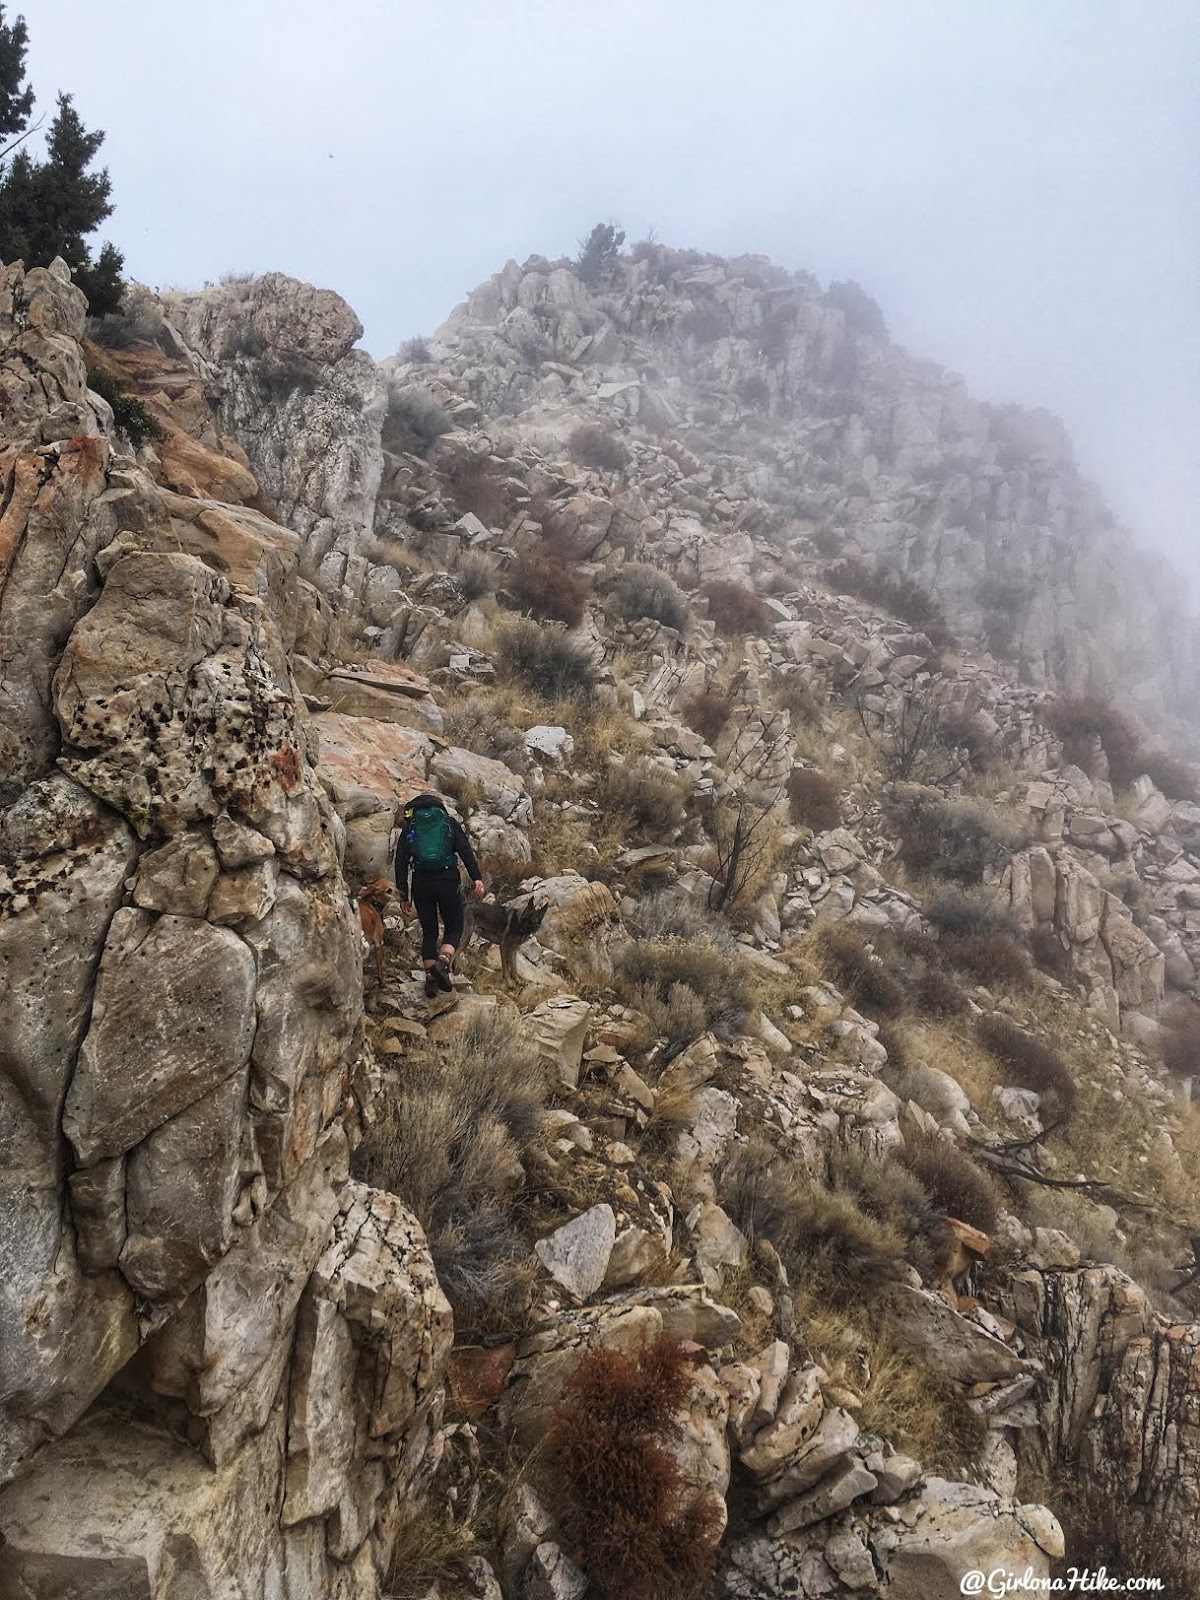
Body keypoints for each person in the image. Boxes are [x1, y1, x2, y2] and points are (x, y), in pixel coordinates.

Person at [395, 792, 485, 998]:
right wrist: (477, 877)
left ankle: (430, 979)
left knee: (429, 931)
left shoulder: (411, 827)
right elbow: (465, 850)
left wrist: (403, 895)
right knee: (454, 926)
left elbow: (400, 862)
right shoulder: (448, 822)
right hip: (447, 880)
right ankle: (443, 963)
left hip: (421, 883)